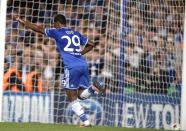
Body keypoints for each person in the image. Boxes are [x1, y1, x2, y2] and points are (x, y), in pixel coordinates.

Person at [16, 14, 105, 127]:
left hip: (71, 66)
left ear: (57, 23)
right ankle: (93, 88)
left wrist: (24, 22)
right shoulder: (75, 33)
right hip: (83, 65)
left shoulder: (56, 31)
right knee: (81, 95)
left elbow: (38, 29)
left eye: (54, 24)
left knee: (71, 96)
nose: (53, 26)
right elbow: (91, 44)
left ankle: (86, 122)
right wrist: (79, 53)